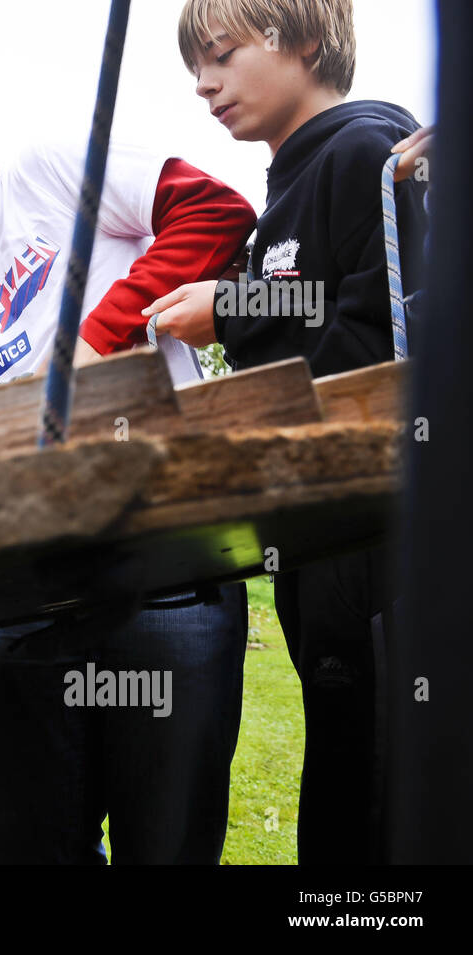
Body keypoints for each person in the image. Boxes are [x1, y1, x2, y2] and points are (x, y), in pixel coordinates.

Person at [0, 79, 256, 863]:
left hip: (166, 561)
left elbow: (216, 210)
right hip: (29, 591)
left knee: (165, 840)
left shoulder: (49, 171)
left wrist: (97, 340)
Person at [150, 0, 428, 863]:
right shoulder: (290, 184)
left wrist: (232, 308)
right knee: (340, 759)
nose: (203, 84)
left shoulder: (366, 152)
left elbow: (385, 343)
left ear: (305, 39)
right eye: (196, 66)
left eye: (223, 56)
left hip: (382, 541)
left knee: (380, 786)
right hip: (316, 538)